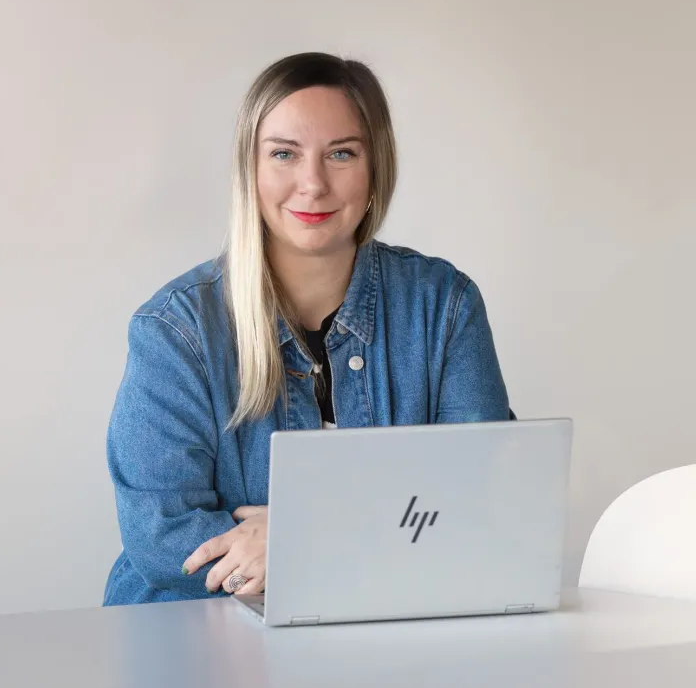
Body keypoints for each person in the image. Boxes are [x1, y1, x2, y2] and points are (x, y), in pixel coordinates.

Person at [103, 52, 512, 607]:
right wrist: (383, 525)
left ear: (375, 169)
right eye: (284, 154)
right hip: (202, 638)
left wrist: (308, 533)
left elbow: (484, 494)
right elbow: (162, 537)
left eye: (341, 153)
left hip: (385, 629)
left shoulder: (443, 306)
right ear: (251, 170)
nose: (313, 183)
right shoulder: (176, 331)